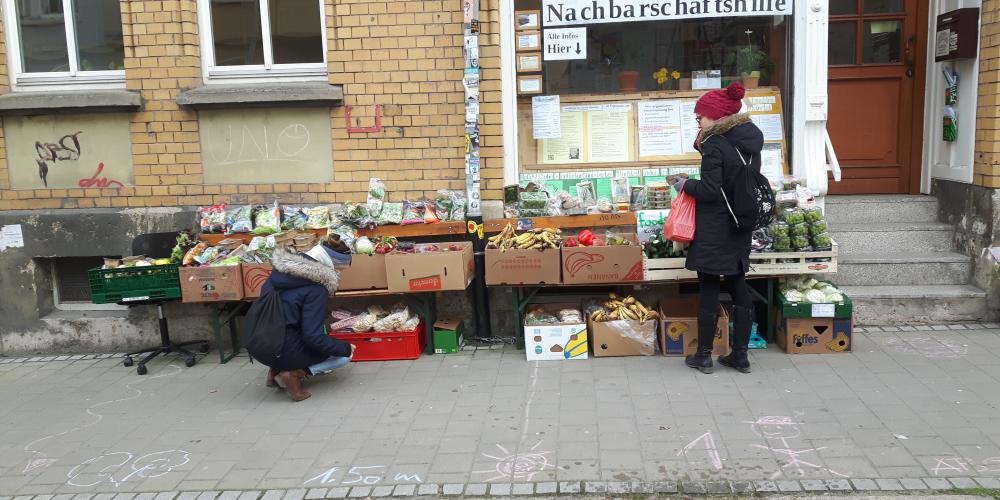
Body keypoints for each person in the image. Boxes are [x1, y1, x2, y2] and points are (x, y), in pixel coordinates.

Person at [667, 82, 763, 375]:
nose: (697, 120)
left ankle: (704, 355)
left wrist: (684, 184)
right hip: (741, 221)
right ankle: (741, 356)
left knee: (709, 286)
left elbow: (710, 189)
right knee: (737, 284)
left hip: (715, 224)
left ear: (716, 116)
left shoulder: (714, 143)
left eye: (700, 116)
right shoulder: (749, 140)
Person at [261, 234, 356, 401]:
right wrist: (345, 347)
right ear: (328, 263)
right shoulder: (316, 288)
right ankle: (293, 373)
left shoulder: (280, 272)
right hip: (284, 347)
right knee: (343, 356)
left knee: (296, 331)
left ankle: (275, 369)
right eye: (339, 269)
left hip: (261, 343)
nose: (339, 273)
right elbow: (312, 336)